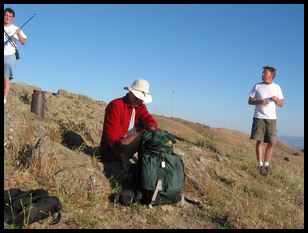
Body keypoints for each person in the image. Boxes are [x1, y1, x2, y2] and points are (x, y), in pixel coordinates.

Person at [99, 79, 159, 171]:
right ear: (130, 92)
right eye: (136, 98)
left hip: (128, 148)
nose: (138, 101)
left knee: (151, 133)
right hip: (113, 151)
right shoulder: (116, 105)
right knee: (145, 133)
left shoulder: (140, 106)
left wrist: (153, 130)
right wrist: (122, 156)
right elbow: (112, 137)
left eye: (141, 99)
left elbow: (148, 118)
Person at [248, 66, 284, 176]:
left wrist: (276, 99)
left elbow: (281, 104)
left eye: (265, 73)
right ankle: (260, 165)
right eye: (262, 73)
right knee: (259, 141)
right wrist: (260, 101)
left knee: (271, 142)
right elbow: (249, 101)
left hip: (272, 118)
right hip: (259, 117)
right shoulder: (257, 86)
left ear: (271, 75)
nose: (262, 74)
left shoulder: (277, 87)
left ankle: (266, 164)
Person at [4, 7, 27, 104]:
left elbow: (24, 42)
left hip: (10, 56)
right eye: (6, 15)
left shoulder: (15, 28)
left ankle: (4, 99)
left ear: (12, 18)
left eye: (10, 16)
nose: (8, 17)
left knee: (6, 78)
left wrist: (18, 34)